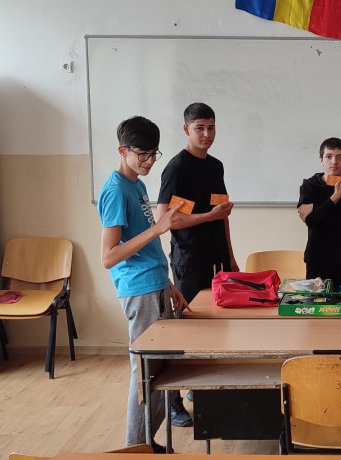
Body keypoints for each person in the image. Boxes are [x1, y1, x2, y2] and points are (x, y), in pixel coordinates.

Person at [98, 116, 188, 451]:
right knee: (145, 370)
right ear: (123, 150)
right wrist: (157, 229)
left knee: (162, 369)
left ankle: (146, 442)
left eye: (153, 153)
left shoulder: (136, 183)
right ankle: (134, 449)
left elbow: (147, 245)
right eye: (142, 154)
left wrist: (168, 283)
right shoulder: (115, 191)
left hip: (154, 284)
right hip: (139, 289)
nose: (149, 161)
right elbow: (108, 257)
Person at [155, 102, 238, 426]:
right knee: (185, 326)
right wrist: (207, 217)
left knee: (215, 325)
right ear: (186, 129)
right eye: (199, 128)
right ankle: (174, 401)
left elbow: (223, 213)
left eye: (211, 127)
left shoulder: (215, 166)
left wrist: (231, 256)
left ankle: (199, 387)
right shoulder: (177, 168)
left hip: (217, 258)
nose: (206, 134)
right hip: (189, 259)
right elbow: (165, 220)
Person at [296, 137, 341, 288]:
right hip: (317, 259)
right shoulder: (309, 186)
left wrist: (316, 209)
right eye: (329, 156)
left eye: (340, 157)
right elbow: (311, 222)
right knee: (317, 301)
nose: (334, 162)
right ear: (321, 160)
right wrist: (335, 197)